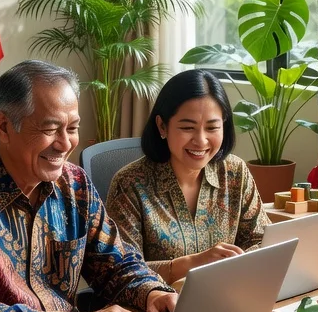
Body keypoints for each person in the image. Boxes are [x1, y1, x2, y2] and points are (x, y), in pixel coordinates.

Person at [0, 60, 177, 312]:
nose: (65, 143)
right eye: (50, 129)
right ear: (4, 127)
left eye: (72, 128)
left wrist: (152, 294)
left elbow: (115, 263)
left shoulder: (75, 185)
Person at [106, 69, 268, 285]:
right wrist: (191, 263)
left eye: (212, 127)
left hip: (229, 297)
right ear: (162, 126)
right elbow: (120, 271)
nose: (201, 141)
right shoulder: (130, 184)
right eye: (187, 128)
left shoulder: (235, 172)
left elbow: (262, 240)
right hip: (157, 310)